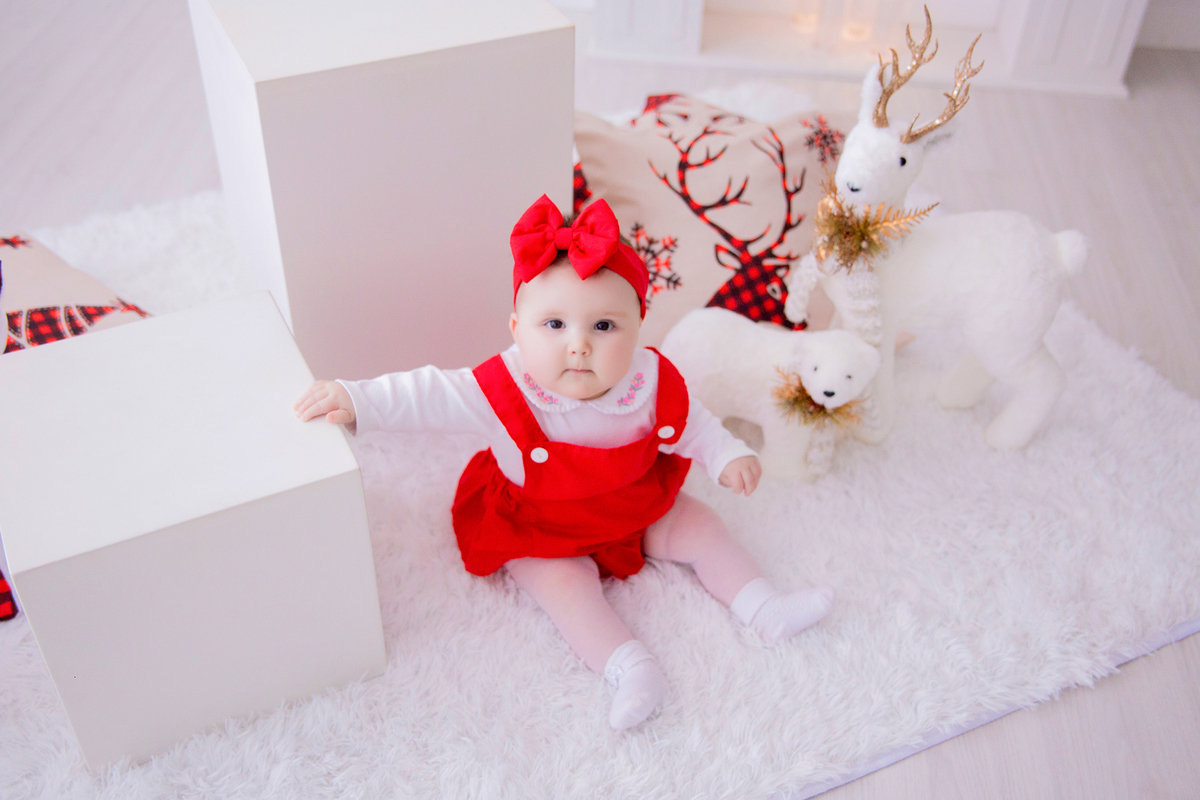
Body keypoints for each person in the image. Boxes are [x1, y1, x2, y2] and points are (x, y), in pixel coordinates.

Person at [295, 195, 833, 730]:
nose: (579, 346)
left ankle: (765, 608)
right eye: (553, 325)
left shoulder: (648, 381)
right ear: (515, 327)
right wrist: (357, 397)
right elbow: (427, 392)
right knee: (565, 590)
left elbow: (691, 423)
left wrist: (726, 454)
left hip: (635, 504)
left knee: (701, 526)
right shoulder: (501, 390)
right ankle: (630, 668)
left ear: (639, 325)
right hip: (540, 526)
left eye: (604, 327)